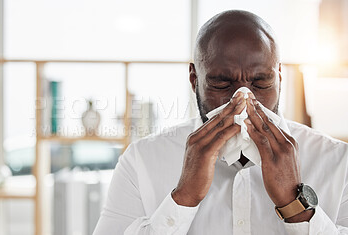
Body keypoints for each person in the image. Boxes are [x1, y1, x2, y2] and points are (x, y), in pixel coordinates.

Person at [93, 10, 348, 234]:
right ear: (194, 79)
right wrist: (183, 198)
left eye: (261, 83)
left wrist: (296, 206)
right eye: (221, 83)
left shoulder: (338, 162)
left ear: (279, 77)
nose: (243, 101)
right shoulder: (142, 161)